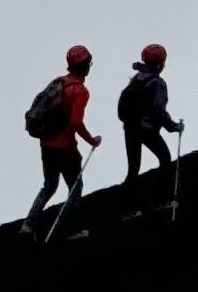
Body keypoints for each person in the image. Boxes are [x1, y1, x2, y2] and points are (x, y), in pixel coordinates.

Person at [28, 45, 102, 229]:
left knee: (49, 186)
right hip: (66, 148)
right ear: (85, 66)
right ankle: (66, 228)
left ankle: (28, 224)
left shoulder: (58, 82)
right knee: (75, 188)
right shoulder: (80, 91)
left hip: (46, 144)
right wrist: (92, 140)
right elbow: (76, 123)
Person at [116, 44, 183, 180]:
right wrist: (173, 126)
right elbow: (158, 110)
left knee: (133, 168)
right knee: (165, 158)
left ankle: (127, 197)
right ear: (160, 64)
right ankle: (161, 192)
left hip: (130, 128)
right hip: (147, 131)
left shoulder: (137, 77)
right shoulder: (158, 83)